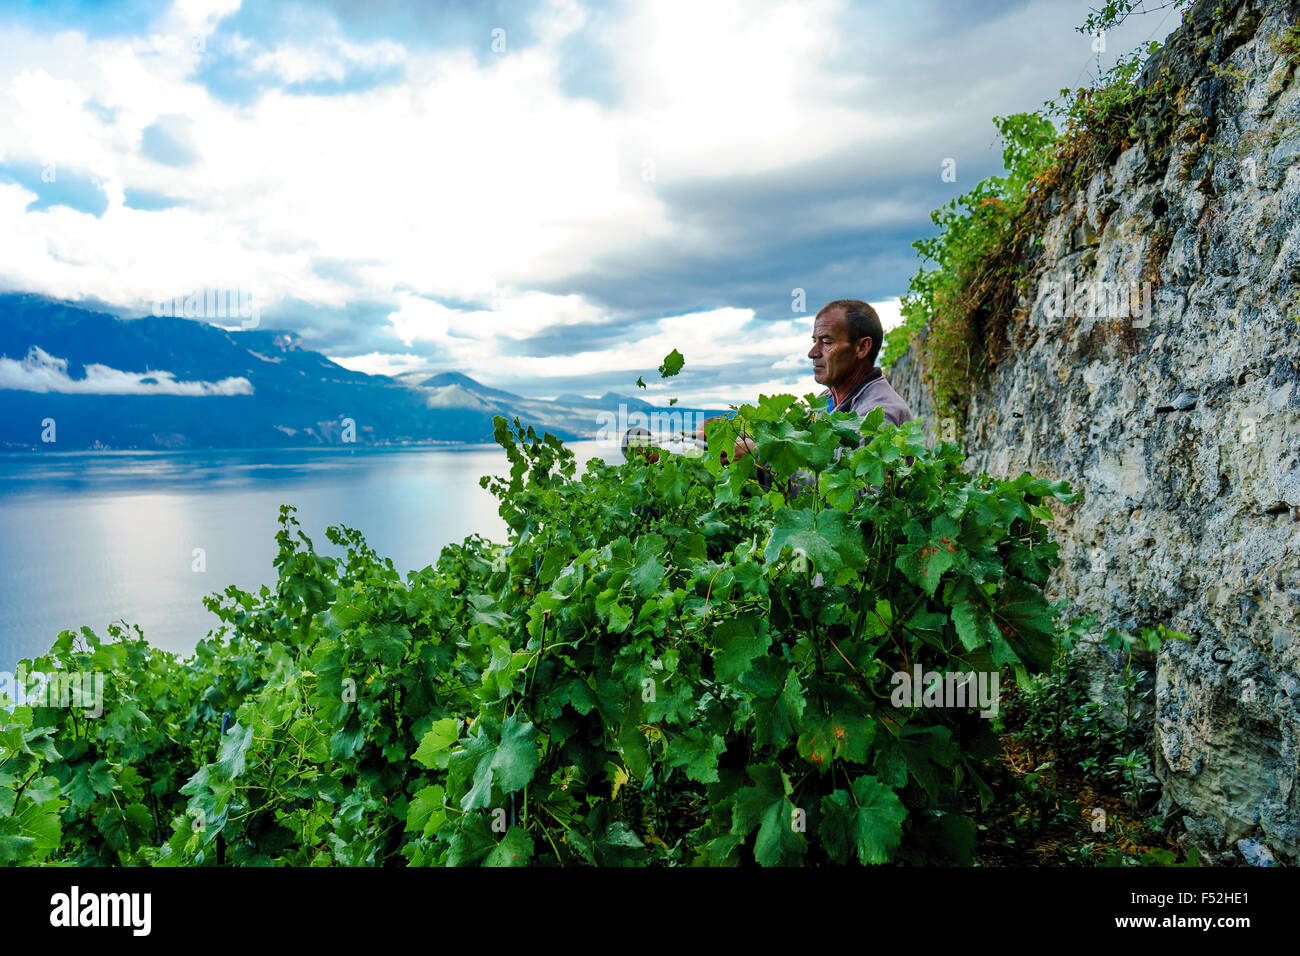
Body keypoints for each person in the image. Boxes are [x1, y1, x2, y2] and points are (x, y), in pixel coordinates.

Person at [696, 298, 916, 463]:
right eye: (814, 341)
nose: (812, 353)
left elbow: (860, 496)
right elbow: (792, 437)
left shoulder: (879, 415)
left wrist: (761, 453)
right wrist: (730, 432)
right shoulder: (827, 401)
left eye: (826, 342)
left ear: (862, 347)